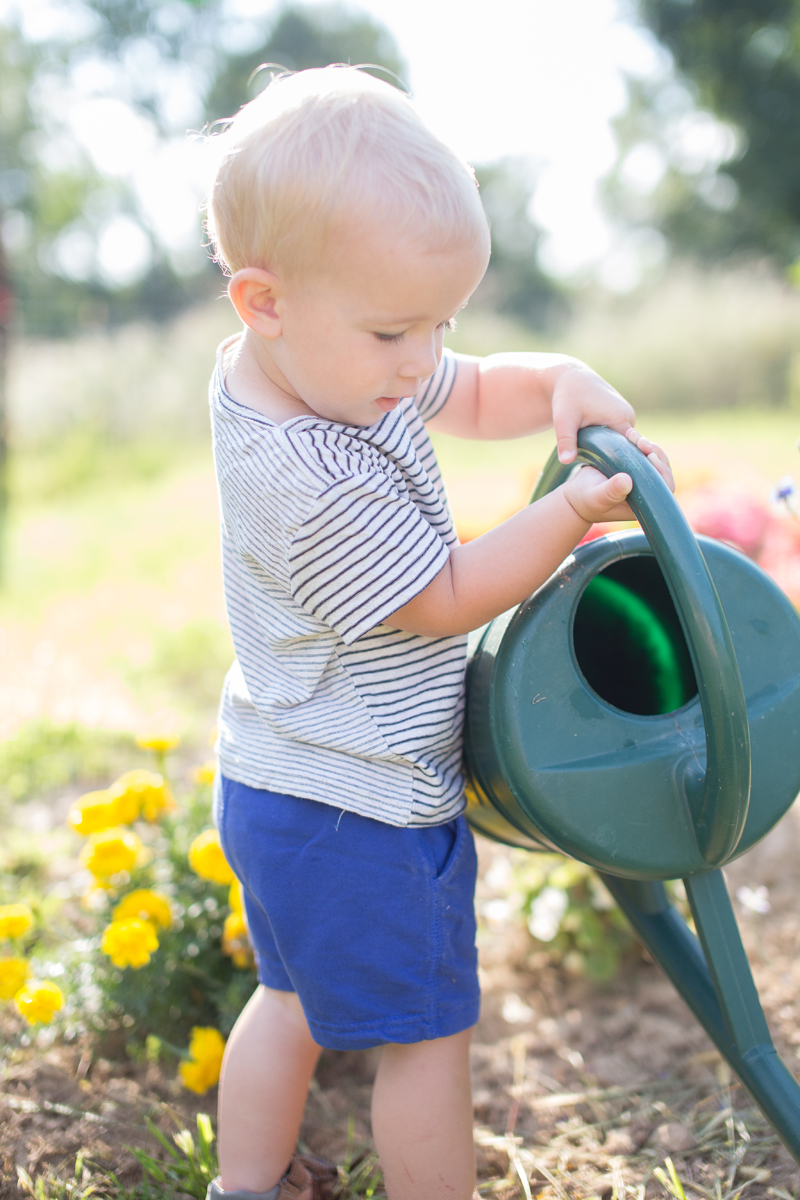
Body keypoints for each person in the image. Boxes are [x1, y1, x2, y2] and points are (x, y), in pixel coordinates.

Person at [202, 65, 673, 1200]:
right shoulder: (302, 470)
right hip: (357, 801)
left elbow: (462, 395)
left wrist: (556, 378)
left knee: (294, 1001)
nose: (421, 359)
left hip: (284, 779)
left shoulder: (325, 365)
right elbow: (444, 597)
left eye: (439, 323)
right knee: (425, 1035)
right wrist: (563, 513)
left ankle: (242, 1187)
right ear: (261, 300)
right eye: (394, 331)